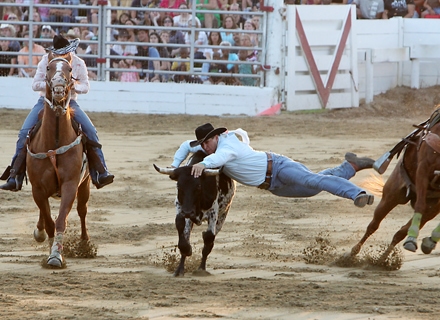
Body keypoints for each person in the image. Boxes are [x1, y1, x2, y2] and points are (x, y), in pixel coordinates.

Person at [0, 34, 114, 191]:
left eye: (63, 53)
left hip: (70, 102)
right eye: (58, 53)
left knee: (91, 132)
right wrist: (51, 85)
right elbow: (35, 84)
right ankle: (15, 175)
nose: (60, 56)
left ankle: (100, 171)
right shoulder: (46, 60)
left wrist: (74, 86)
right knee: (24, 133)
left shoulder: (79, 63)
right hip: (45, 101)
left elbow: (86, 86)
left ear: (69, 52)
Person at [171, 123, 376, 208]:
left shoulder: (227, 144)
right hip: (274, 186)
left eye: (207, 142)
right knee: (314, 186)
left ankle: (357, 194)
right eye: (202, 145)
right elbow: (184, 146)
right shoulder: (211, 147)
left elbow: (221, 158)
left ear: (216, 137)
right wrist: (174, 165)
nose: (205, 147)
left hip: (277, 166)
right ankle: (350, 166)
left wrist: (204, 164)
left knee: (312, 180)